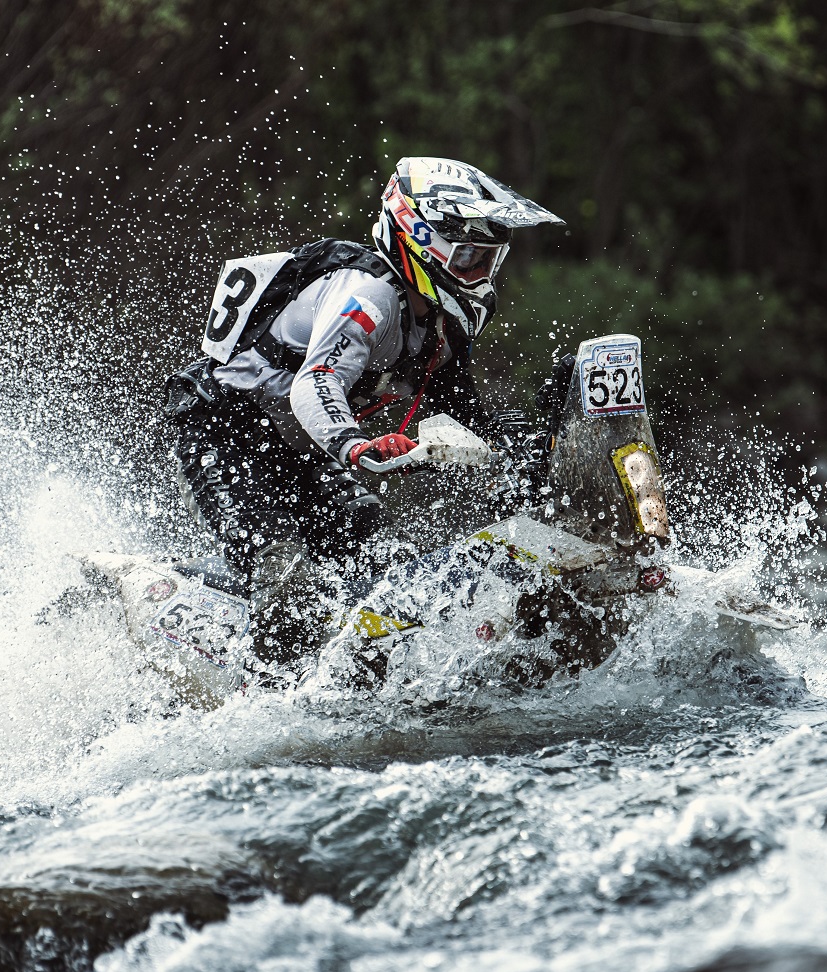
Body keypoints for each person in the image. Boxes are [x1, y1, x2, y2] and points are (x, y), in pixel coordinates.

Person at [164, 156, 563, 660]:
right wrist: (355, 444)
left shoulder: (436, 324)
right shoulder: (369, 294)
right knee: (280, 571)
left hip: (296, 444)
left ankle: (358, 674)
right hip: (221, 428)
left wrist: (526, 451)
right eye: (468, 258)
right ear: (419, 240)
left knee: (374, 558)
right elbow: (316, 380)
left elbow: (465, 412)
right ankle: (258, 687)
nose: (481, 276)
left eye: (489, 260)